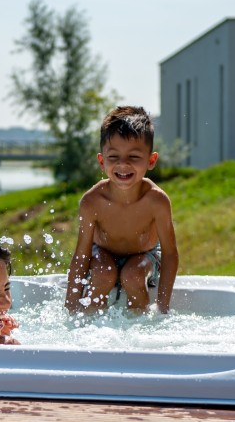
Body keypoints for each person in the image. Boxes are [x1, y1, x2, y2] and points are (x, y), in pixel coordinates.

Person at [65, 105, 179, 314]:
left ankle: (137, 330)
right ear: (101, 161)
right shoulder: (92, 201)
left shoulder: (156, 201)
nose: (123, 165)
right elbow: (81, 255)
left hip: (145, 258)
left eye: (134, 157)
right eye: (113, 157)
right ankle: (89, 328)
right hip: (103, 255)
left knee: (133, 275)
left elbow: (170, 254)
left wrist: (162, 305)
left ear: (151, 160)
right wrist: (70, 304)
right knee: (102, 272)